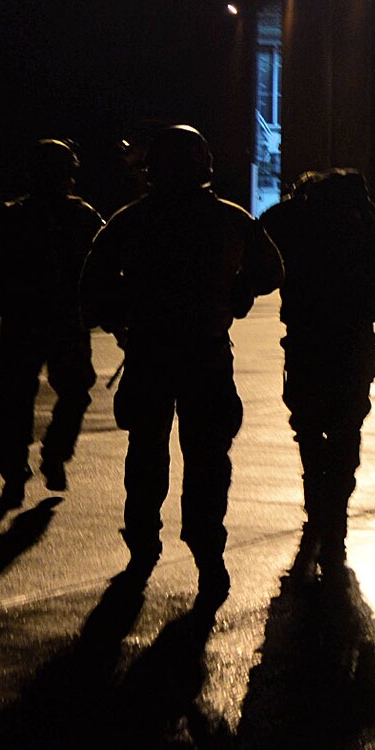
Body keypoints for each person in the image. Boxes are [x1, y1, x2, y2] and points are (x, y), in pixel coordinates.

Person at [79, 124, 282, 601]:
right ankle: (208, 555)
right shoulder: (229, 218)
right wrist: (235, 295)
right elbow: (271, 270)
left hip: (150, 353)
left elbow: (93, 285)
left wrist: (118, 321)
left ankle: (144, 544)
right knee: (207, 458)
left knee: (148, 452)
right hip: (204, 353)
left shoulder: (131, 220)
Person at [259, 169, 375, 561]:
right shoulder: (366, 225)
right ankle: (336, 512)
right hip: (352, 340)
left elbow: (259, 256)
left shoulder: (293, 221)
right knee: (347, 428)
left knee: (308, 428)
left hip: (306, 339)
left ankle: (316, 504)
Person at [0, 139, 105, 507]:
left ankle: (17, 471)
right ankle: (51, 457)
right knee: (72, 392)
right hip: (62, 320)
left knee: (17, 397)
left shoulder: (12, 215)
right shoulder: (82, 216)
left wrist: (4, 297)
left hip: (26, 320)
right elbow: (103, 263)